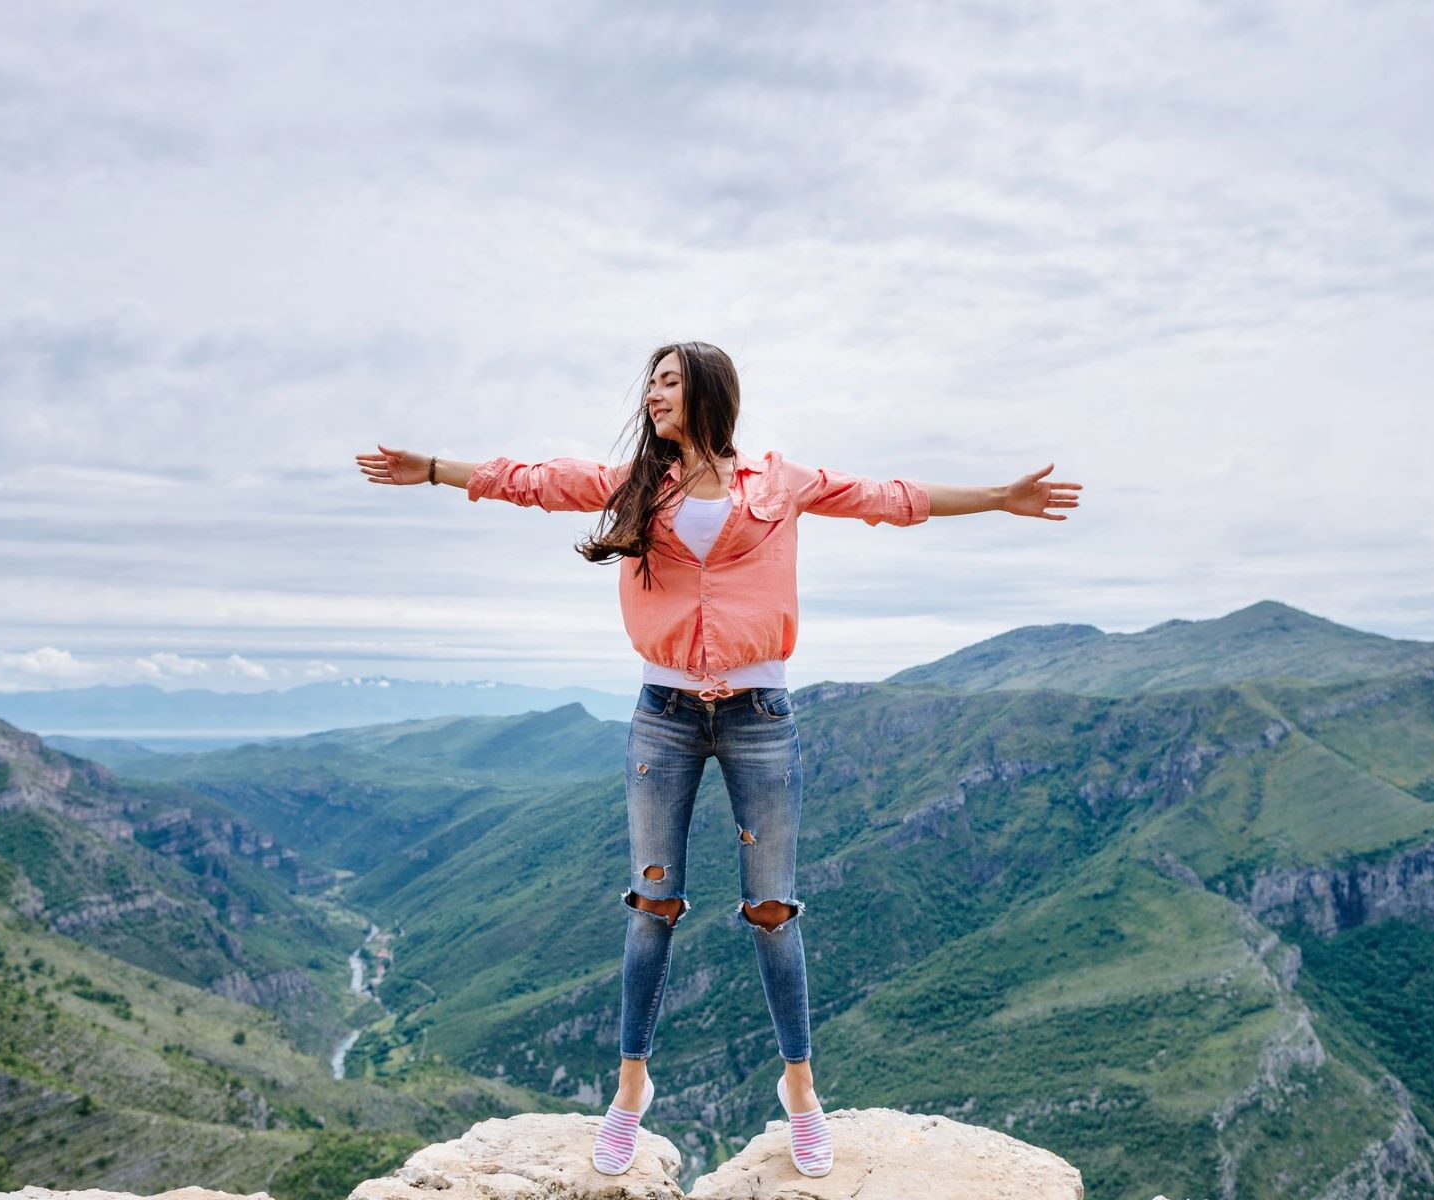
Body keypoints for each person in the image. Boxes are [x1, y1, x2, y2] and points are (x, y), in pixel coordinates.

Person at [355, 341, 1082, 1178]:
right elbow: (535, 479)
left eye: (669, 382)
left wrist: (1001, 496)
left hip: (758, 715)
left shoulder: (781, 481)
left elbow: (894, 498)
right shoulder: (636, 484)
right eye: (652, 383)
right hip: (662, 716)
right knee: (651, 904)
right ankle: (629, 1093)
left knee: (773, 909)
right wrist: (439, 468)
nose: (654, 395)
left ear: (706, 392)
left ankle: (801, 1094)